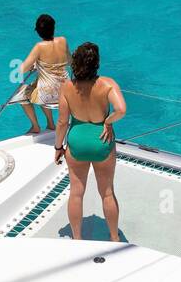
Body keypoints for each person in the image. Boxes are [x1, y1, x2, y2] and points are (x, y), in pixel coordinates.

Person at [53, 42, 126, 242]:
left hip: (77, 143)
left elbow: (61, 122)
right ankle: (114, 238)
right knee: (107, 193)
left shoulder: (67, 87)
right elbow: (121, 109)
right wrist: (108, 122)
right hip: (102, 141)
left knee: (76, 192)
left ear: (75, 62)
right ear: (97, 63)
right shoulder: (107, 84)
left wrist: (58, 147)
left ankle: (77, 239)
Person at [18, 13, 69, 135]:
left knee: (21, 94)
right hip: (66, 92)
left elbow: (22, 69)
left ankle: (36, 126)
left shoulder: (39, 46)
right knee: (40, 84)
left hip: (47, 95)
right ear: (53, 28)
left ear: (38, 32)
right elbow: (70, 61)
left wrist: (35, 64)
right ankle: (51, 124)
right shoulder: (63, 40)